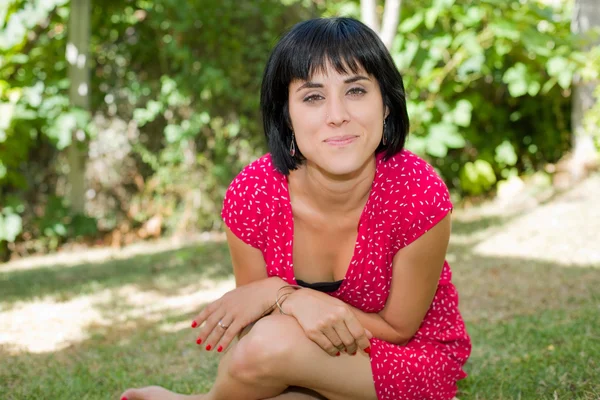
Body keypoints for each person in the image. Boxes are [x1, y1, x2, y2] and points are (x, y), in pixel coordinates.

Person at [120, 16, 471, 400]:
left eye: (355, 91)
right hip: (303, 356)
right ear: (286, 115)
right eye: (313, 97)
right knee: (264, 348)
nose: (337, 115)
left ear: (386, 104)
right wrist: (284, 296)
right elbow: (253, 328)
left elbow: (400, 328)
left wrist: (289, 296)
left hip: (409, 359)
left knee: (270, 344)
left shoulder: (417, 190)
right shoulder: (254, 193)